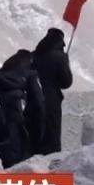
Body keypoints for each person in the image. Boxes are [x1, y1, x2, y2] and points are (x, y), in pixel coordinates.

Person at [0, 50, 46, 167]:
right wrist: (40, 128)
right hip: (18, 120)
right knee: (16, 156)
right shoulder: (31, 75)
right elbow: (39, 101)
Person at [31, 28, 74, 156]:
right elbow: (66, 82)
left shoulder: (33, 55)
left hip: (32, 99)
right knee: (51, 136)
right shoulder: (61, 57)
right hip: (51, 101)